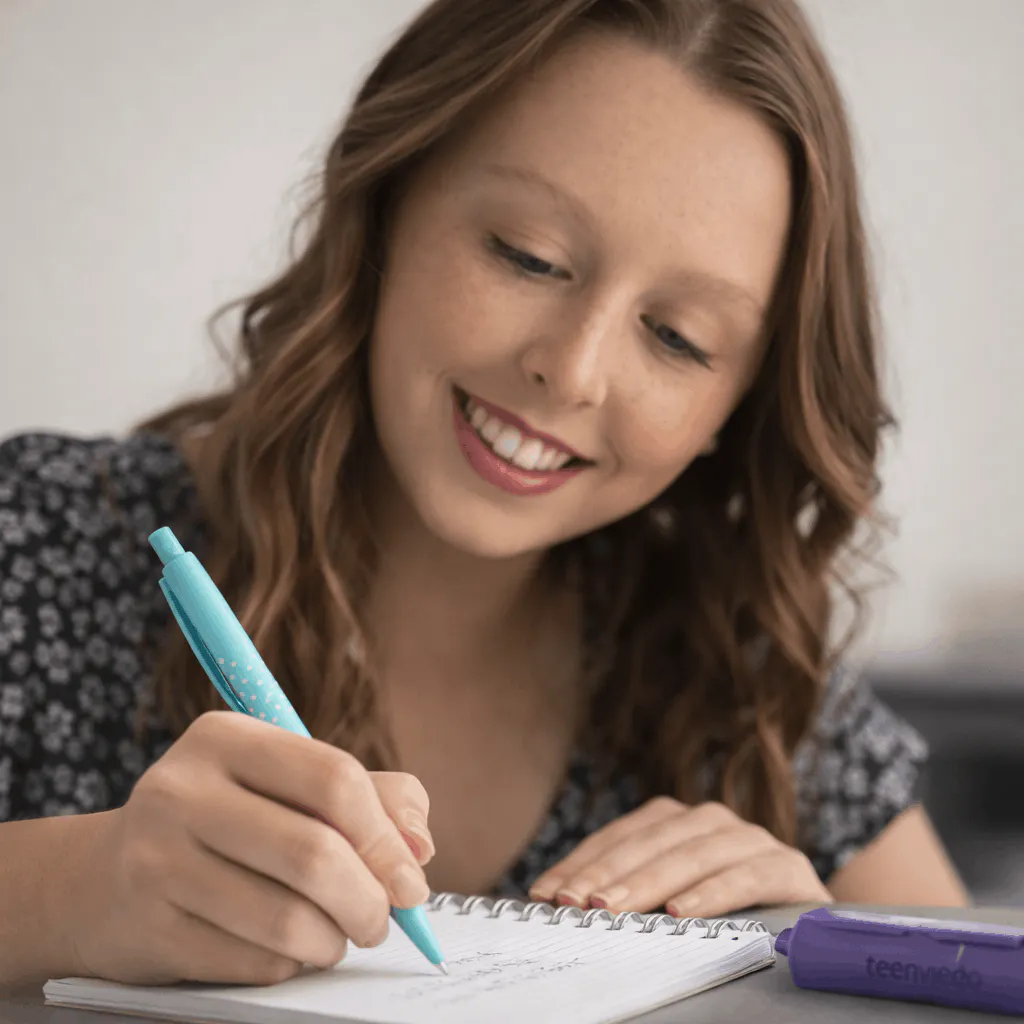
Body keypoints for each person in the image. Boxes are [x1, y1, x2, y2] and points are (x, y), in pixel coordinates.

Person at [0, 0, 969, 991]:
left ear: (740, 401)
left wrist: (816, 963)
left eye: (677, 336)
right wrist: (71, 891)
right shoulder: (34, 538)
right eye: (527, 255)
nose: (574, 369)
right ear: (386, 202)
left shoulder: (745, 667)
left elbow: (982, 982)